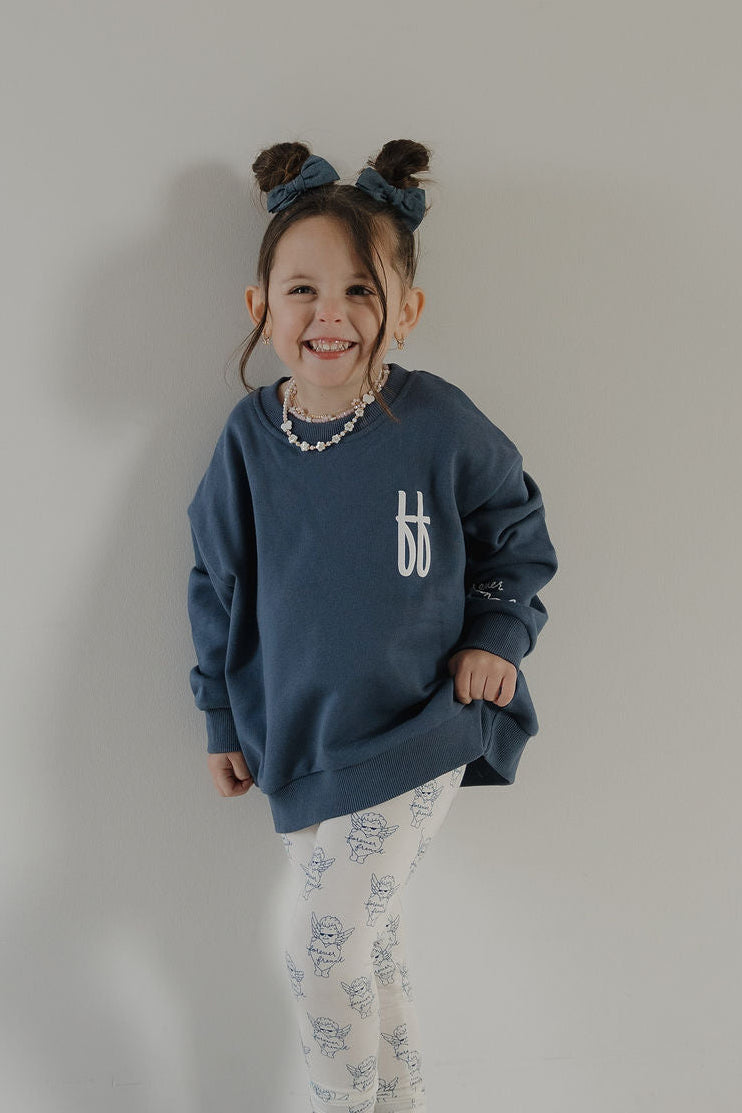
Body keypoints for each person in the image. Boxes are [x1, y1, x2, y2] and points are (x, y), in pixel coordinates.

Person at [186, 138, 558, 1113]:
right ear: (260, 305)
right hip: (302, 742)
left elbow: (515, 529)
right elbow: (218, 584)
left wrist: (496, 638)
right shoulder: (248, 442)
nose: (332, 315)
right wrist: (223, 720)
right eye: (303, 289)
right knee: (369, 951)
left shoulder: (432, 421)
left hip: (418, 731)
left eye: (361, 291)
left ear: (407, 312)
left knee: (321, 953)